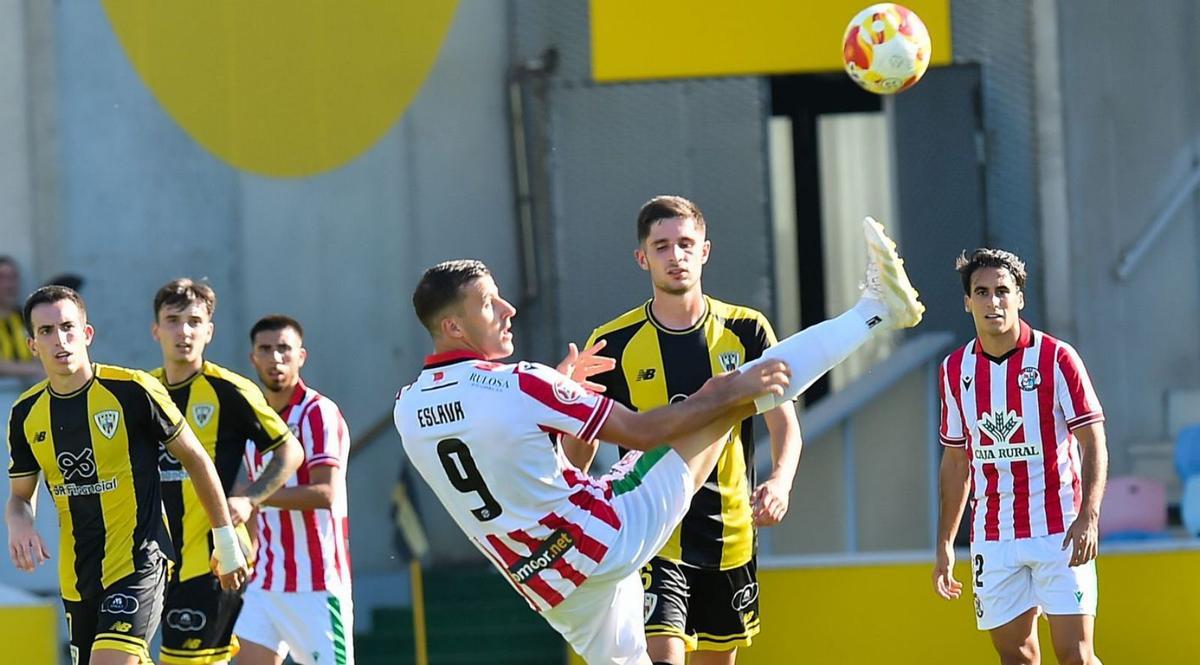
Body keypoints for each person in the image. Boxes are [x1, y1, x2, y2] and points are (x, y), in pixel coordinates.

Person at [394, 217, 921, 665]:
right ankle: (876, 311)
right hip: (605, 536)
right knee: (730, 397)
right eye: (488, 304)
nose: (508, 309)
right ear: (454, 327)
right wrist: (722, 390)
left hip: (546, 583)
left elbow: (511, 461)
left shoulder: (408, 407)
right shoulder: (520, 382)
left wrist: (555, 400)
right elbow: (644, 431)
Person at [578, 195, 801, 664]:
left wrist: (780, 481)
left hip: (729, 533)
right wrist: (571, 415)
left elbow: (785, 424)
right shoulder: (612, 342)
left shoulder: (747, 330)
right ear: (643, 258)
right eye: (661, 246)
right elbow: (580, 449)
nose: (675, 256)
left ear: (705, 251)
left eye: (685, 243)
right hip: (651, 528)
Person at [5, 286, 248, 665]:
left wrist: (226, 541)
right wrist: (18, 524)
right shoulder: (26, 413)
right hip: (77, 576)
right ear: (33, 344)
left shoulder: (133, 390)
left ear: (87, 334)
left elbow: (197, 460)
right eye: (47, 331)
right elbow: (21, 497)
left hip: (139, 564)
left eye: (68, 327)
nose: (60, 339)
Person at [932, 249, 1107, 665]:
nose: (993, 302)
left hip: (1060, 529)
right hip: (994, 537)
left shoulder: (1056, 358)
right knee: (1017, 657)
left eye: (1002, 291)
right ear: (967, 302)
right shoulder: (954, 370)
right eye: (982, 292)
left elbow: (1093, 441)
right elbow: (956, 462)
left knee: (1076, 655)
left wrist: (1089, 516)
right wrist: (943, 543)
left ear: (1020, 298)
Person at [149, 279, 303, 665]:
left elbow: (290, 450)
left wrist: (250, 499)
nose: (183, 331)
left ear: (209, 331)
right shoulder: (143, 392)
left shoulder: (230, 390)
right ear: (156, 330)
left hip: (214, 561)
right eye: (172, 320)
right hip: (153, 563)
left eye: (194, 321)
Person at [235, 315, 354, 665]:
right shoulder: (253, 419)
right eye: (266, 349)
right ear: (252, 358)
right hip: (265, 583)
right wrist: (245, 550)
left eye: (284, 349)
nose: (275, 358)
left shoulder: (318, 412)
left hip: (316, 585)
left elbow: (325, 493)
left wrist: (250, 497)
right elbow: (254, 509)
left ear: (301, 356)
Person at [0, 256, 43, 380]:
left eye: (13, 277)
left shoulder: (28, 317)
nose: (9, 284)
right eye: (2, 277)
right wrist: (30, 369)